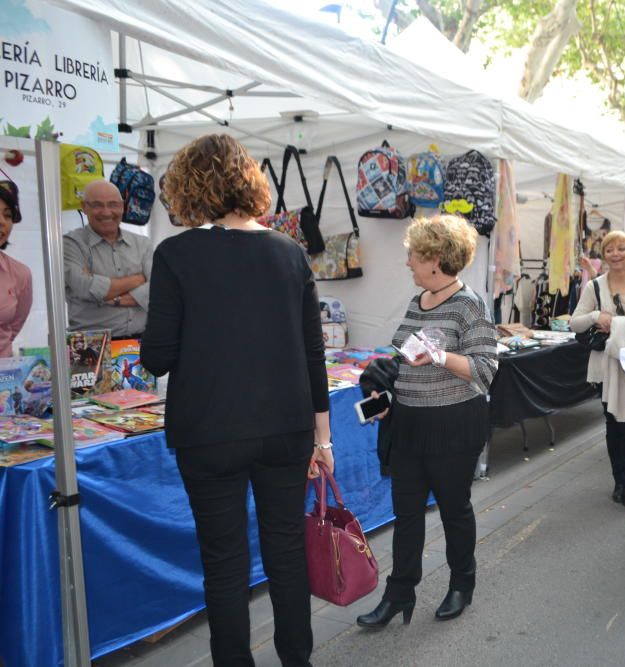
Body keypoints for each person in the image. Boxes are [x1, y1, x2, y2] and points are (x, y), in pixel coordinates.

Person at [140, 134, 331, 665]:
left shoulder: (176, 254)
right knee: (286, 552)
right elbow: (313, 355)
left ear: (188, 187)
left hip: (209, 432)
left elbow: (156, 357)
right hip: (286, 429)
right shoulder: (290, 253)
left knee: (224, 563)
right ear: (249, 182)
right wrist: (324, 439)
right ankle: (297, 659)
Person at [356, 215, 497, 628]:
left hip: (453, 426)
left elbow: (486, 368)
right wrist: (385, 391)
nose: (408, 264)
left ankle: (461, 584)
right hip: (409, 425)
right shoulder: (419, 301)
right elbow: (404, 359)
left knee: (455, 510)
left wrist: (438, 357)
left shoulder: (469, 304)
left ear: (435, 258)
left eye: (413, 256)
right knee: (407, 515)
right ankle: (400, 593)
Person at [570, 231, 625, 515]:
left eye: (622, 248)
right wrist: (597, 316)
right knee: (614, 426)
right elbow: (575, 323)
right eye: (610, 249)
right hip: (607, 366)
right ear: (604, 254)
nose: (616, 254)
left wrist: (618, 324)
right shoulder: (594, 286)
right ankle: (619, 482)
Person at [64, 179, 153, 338]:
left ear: (123, 206)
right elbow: (85, 287)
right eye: (97, 205)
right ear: (84, 207)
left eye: (113, 204)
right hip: (91, 346)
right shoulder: (71, 243)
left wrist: (108, 297)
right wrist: (137, 280)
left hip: (141, 344)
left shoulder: (143, 244)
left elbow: (156, 290)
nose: (106, 212)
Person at [0, 180, 32, 357]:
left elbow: (13, 328)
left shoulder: (20, 274)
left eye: (7, 215)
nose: (2, 222)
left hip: (4, 377)